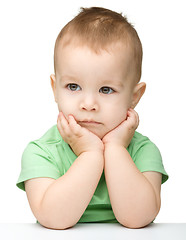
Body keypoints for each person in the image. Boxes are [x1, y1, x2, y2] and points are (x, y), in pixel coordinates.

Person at [16, 7, 168, 230]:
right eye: (73, 86)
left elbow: (138, 219)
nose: (88, 104)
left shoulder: (143, 151)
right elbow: (53, 219)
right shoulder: (41, 152)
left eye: (106, 90)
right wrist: (90, 154)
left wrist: (116, 148)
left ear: (134, 97)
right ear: (55, 88)